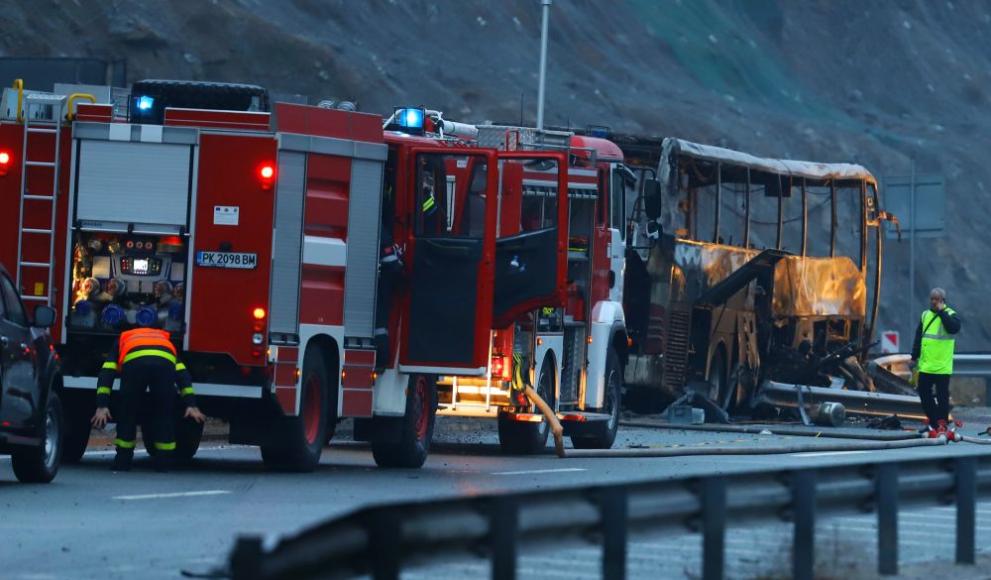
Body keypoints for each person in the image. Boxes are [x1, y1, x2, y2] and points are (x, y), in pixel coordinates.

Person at [90, 324, 206, 471]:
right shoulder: (164, 339)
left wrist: (102, 405)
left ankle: (123, 462)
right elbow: (182, 374)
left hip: (134, 363)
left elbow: (107, 372)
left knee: (128, 412)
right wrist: (191, 404)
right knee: (164, 414)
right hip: (164, 362)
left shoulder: (124, 338)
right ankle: (164, 463)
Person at [910, 287, 961, 437]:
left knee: (942, 397)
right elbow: (918, 337)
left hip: (942, 366)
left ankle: (942, 424)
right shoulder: (925, 315)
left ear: (943, 301)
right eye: (932, 298)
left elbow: (953, 329)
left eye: (937, 299)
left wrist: (941, 312)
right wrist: (914, 357)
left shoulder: (950, 314)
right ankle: (934, 423)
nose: (933, 301)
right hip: (926, 365)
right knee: (924, 395)